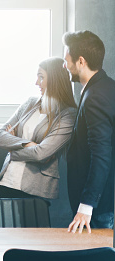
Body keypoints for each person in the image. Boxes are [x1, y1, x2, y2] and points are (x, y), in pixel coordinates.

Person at [0, 57, 76, 200]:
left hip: (35, 187)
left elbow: (41, 154)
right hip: (8, 179)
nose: (36, 82)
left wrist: (12, 150)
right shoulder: (30, 103)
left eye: (41, 77)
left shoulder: (67, 114)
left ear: (55, 80)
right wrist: (28, 144)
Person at [63, 30, 115, 233]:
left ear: (81, 61)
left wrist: (86, 207)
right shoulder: (107, 87)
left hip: (94, 209)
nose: (65, 66)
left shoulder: (95, 97)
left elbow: (101, 155)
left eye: (67, 60)